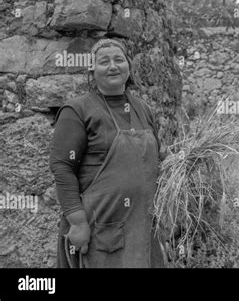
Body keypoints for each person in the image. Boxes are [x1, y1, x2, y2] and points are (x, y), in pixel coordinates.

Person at [49, 39, 166, 268]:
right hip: (101, 229)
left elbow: (155, 159)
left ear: (128, 66)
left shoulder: (142, 109)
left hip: (142, 228)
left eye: (119, 59)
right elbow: (62, 167)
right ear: (92, 71)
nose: (113, 66)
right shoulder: (78, 110)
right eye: (104, 62)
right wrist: (77, 222)